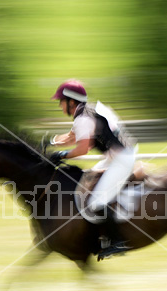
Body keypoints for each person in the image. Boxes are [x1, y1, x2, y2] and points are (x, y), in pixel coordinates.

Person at [49, 79, 135, 259]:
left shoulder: (83, 119)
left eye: (61, 101)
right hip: (115, 157)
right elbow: (72, 137)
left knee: (96, 201)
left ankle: (117, 241)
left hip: (120, 160)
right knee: (86, 188)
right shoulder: (87, 111)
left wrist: (61, 155)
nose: (60, 106)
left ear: (71, 102)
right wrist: (52, 142)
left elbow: (82, 149)